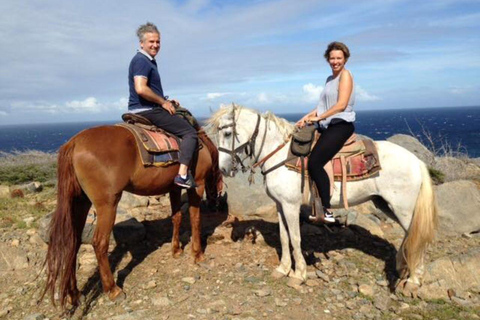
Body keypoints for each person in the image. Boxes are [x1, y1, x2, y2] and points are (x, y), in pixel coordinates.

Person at [128, 22, 198, 189]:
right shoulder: (142, 60)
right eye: (151, 41)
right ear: (142, 43)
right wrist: (163, 102)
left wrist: (166, 100)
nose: (155, 45)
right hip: (148, 110)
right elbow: (140, 88)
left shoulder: (148, 60)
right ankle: (182, 175)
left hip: (145, 108)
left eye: (158, 41)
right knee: (190, 133)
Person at [296, 41, 356, 223]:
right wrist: (305, 117)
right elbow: (321, 107)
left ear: (345, 59)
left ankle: (326, 209)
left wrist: (319, 119)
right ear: (327, 59)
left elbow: (341, 105)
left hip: (341, 124)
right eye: (332, 58)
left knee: (315, 162)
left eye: (339, 58)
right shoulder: (329, 80)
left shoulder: (345, 76)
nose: (335, 61)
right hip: (329, 124)